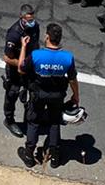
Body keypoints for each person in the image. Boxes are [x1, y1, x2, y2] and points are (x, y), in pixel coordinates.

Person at [19, 23, 78, 168]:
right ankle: (55, 157)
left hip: (38, 94)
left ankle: (29, 154)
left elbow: (21, 69)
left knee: (33, 121)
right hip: (57, 96)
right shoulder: (68, 58)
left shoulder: (36, 55)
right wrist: (76, 95)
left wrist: (24, 46)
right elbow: (72, 79)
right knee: (54, 122)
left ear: (47, 37)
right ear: (60, 39)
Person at [0, 3, 40, 138]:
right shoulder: (14, 34)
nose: (31, 22)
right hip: (15, 71)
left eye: (32, 19)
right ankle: (9, 120)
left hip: (30, 68)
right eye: (28, 20)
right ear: (21, 18)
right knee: (12, 94)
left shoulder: (35, 27)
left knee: (33, 93)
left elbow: (36, 45)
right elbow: (7, 58)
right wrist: (22, 65)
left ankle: (29, 118)